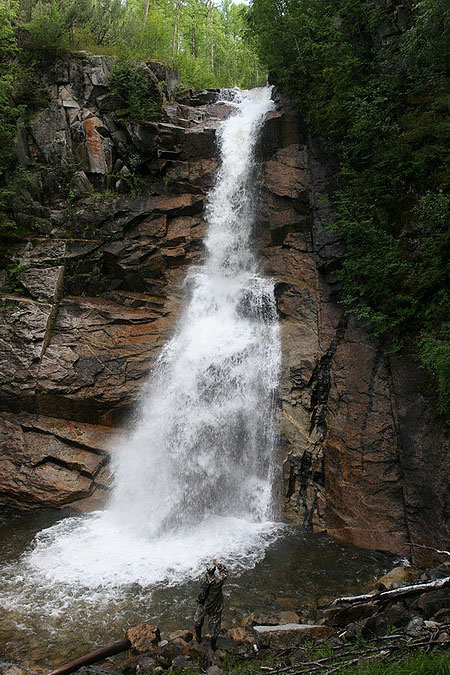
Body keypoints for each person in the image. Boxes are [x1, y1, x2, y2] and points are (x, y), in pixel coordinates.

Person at [194, 558, 228, 651]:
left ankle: (198, 638)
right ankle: (213, 647)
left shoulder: (202, 578)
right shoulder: (218, 580)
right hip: (215, 606)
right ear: (214, 570)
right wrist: (217, 563)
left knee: (198, 620)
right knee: (214, 627)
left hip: (203, 604)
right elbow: (225, 572)